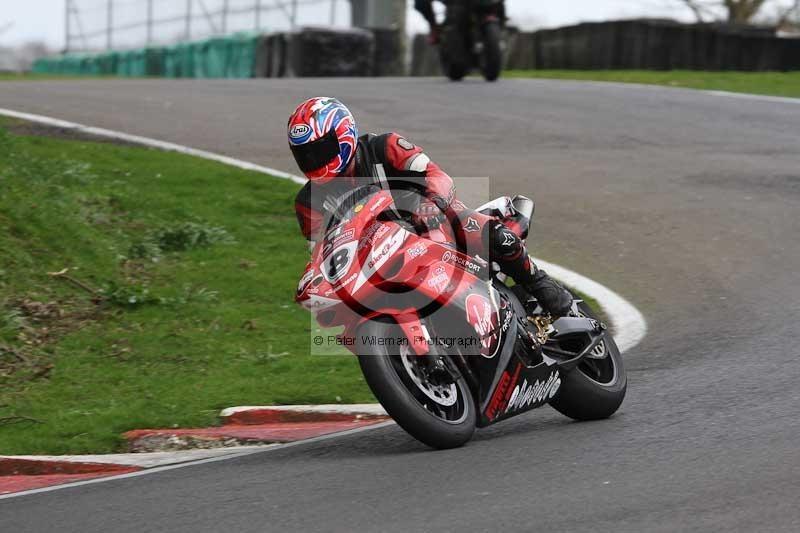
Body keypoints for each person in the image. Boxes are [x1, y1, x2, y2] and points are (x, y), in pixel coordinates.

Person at [288, 97, 573, 318]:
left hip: (433, 223)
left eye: (320, 150)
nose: (313, 160)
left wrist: (432, 203)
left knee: (492, 235)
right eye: (305, 155)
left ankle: (541, 284)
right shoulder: (308, 203)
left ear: (344, 134)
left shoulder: (384, 147)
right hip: (379, 260)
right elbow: (326, 253)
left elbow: (436, 175)